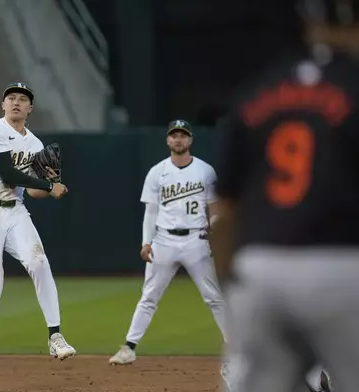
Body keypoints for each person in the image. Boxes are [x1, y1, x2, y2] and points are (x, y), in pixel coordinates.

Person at [211, 0, 359, 391]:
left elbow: (224, 213)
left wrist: (238, 290)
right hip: (342, 268)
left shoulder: (258, 91)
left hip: (261, 269)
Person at [0, 82, 76, 390]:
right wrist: (48, 186)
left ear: (30, 109)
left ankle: (55, 335)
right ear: (3, 106)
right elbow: (8, 173)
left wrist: (51, 187)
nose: (16, 102)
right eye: (11, 98)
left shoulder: (36, 144)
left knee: (39, 261)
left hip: (14, 210)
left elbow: (29, 190)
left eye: (22, 99)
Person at [108, 120, 232, 388]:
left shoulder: (204, 171)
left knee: (214, 298)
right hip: (163, 240)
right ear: (168, 141)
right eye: (174, 135)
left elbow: (215, 207)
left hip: (197, 240)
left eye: (183, 135)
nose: (178, 139)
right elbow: (150, 211)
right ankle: (129, 347)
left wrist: (215, 231)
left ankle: (236, 351)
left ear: (190, 140)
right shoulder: (157, 172)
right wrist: (146, 242)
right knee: (149, 296)